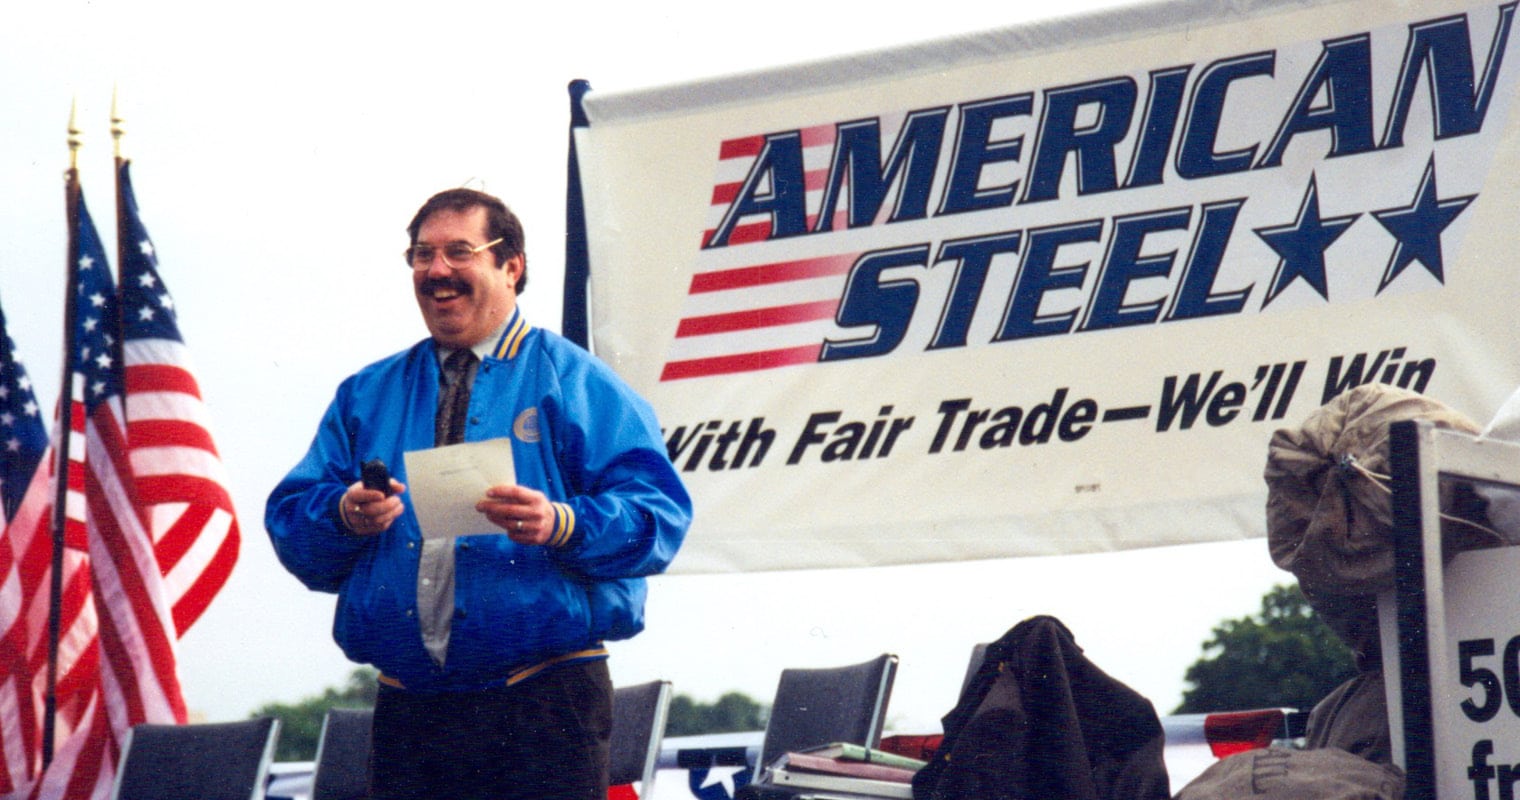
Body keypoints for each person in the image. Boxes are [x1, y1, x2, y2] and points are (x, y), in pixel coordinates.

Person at [266, 188, 692, 800]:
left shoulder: (577, 380)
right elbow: (290, 523)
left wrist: (563, 523)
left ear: (511, 266)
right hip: (410, 711)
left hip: (544, 704)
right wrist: (341, 514)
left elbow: (660, 517)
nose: (436, 270)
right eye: (422, 254)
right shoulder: (366, 393)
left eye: (459, 251)